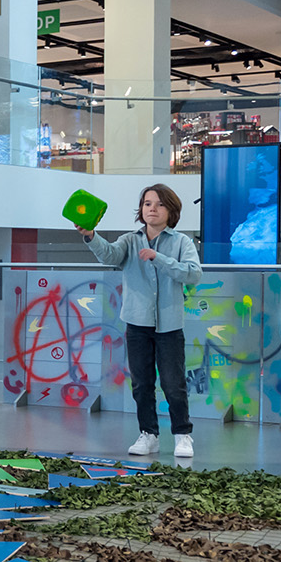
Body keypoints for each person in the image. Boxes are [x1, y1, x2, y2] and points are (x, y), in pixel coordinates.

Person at [77, 185, 203, 459]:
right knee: (141, 383)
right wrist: (91, 237)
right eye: (147, 204)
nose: (152, 209)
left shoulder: (182, 242)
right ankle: (149, 434)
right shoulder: (130, 240)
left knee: (173, 383)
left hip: (169, 325)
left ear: (171, 210)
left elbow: (193, 274)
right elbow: (110, 256)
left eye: (159, 204)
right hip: (136, 323)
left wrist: (160, 259)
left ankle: (183, 435)